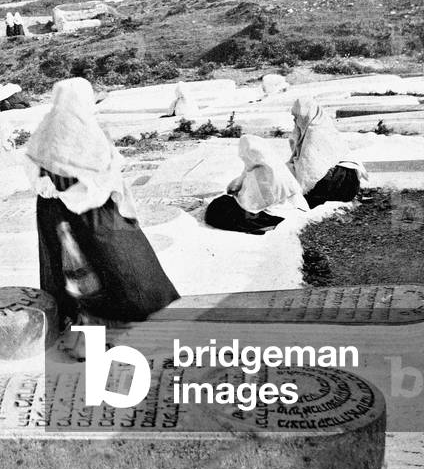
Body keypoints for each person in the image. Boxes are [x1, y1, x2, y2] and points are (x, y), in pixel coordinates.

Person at [25, 78, 179, 335]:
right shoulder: (86, 127)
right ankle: (129, 309)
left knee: (69, 265)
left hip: (54, 209)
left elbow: (33, 168)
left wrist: (51, 188)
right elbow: (107, 168)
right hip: (91, 210)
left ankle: (75, 316)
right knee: (116, 259)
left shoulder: (45, 128)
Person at [204, 135, 308, 234]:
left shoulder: (263, 172)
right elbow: (239, 183)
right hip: (285, 207)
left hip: (273, 212)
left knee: (219, 209)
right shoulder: (270, 164)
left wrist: (239, 192)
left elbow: (257, 202)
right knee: (221, 204)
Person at [287, 98, 366, 208]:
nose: (295, 121)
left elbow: (311, 170)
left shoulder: (315, 132)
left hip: (341, 181)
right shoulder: (316, 127)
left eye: (297, 117)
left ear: (306, 116)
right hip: (341, 181)